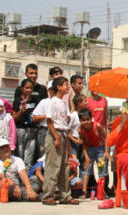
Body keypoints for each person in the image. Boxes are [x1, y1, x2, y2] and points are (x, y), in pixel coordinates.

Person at [41, 76, 79, 205]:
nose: (68, 87)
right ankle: (48, 195)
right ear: (58, 87)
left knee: (64, 166)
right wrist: (56, 137)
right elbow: (50, 121)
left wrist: (66, 138)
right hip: (55, 133)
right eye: (66, 85)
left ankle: (65, 196)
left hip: (63, 133)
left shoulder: (64, 102)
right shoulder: (52, 102)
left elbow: (65, 121)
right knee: (53, 165)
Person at [79, 108, 110, 199]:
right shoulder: (80, 130)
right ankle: (84, 191)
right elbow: (83, 143)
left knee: (101, 169)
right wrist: (86, 156)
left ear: (91, 118)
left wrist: (106, 152)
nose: (86, 122)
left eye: (88, 119)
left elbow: (105, 138)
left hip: (100, 148)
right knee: (86, 168)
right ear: (80, 121)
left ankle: (102, 191)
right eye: (83, 120)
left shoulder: (97, 126)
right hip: (89, 149)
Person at [13, 79, 38, 168]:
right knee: (20, 153)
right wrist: (21, 111)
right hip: (20, 129)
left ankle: (27, 174)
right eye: (27, 88)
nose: (29, 90)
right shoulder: (17, 101)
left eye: (31, 88)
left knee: (29, 154)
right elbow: (14, 118)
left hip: (31, 129)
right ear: (22, 89)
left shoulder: (35, 100)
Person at [31, 80, 56, 158]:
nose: (53, 91)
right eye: (51, 89)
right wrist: (46, 116)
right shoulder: (44, 102)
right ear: (48, 90)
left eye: (55, 89)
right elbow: (34, 118)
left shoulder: (62, 102)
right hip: (44, 130)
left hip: (56, 130)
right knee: (43, 155)